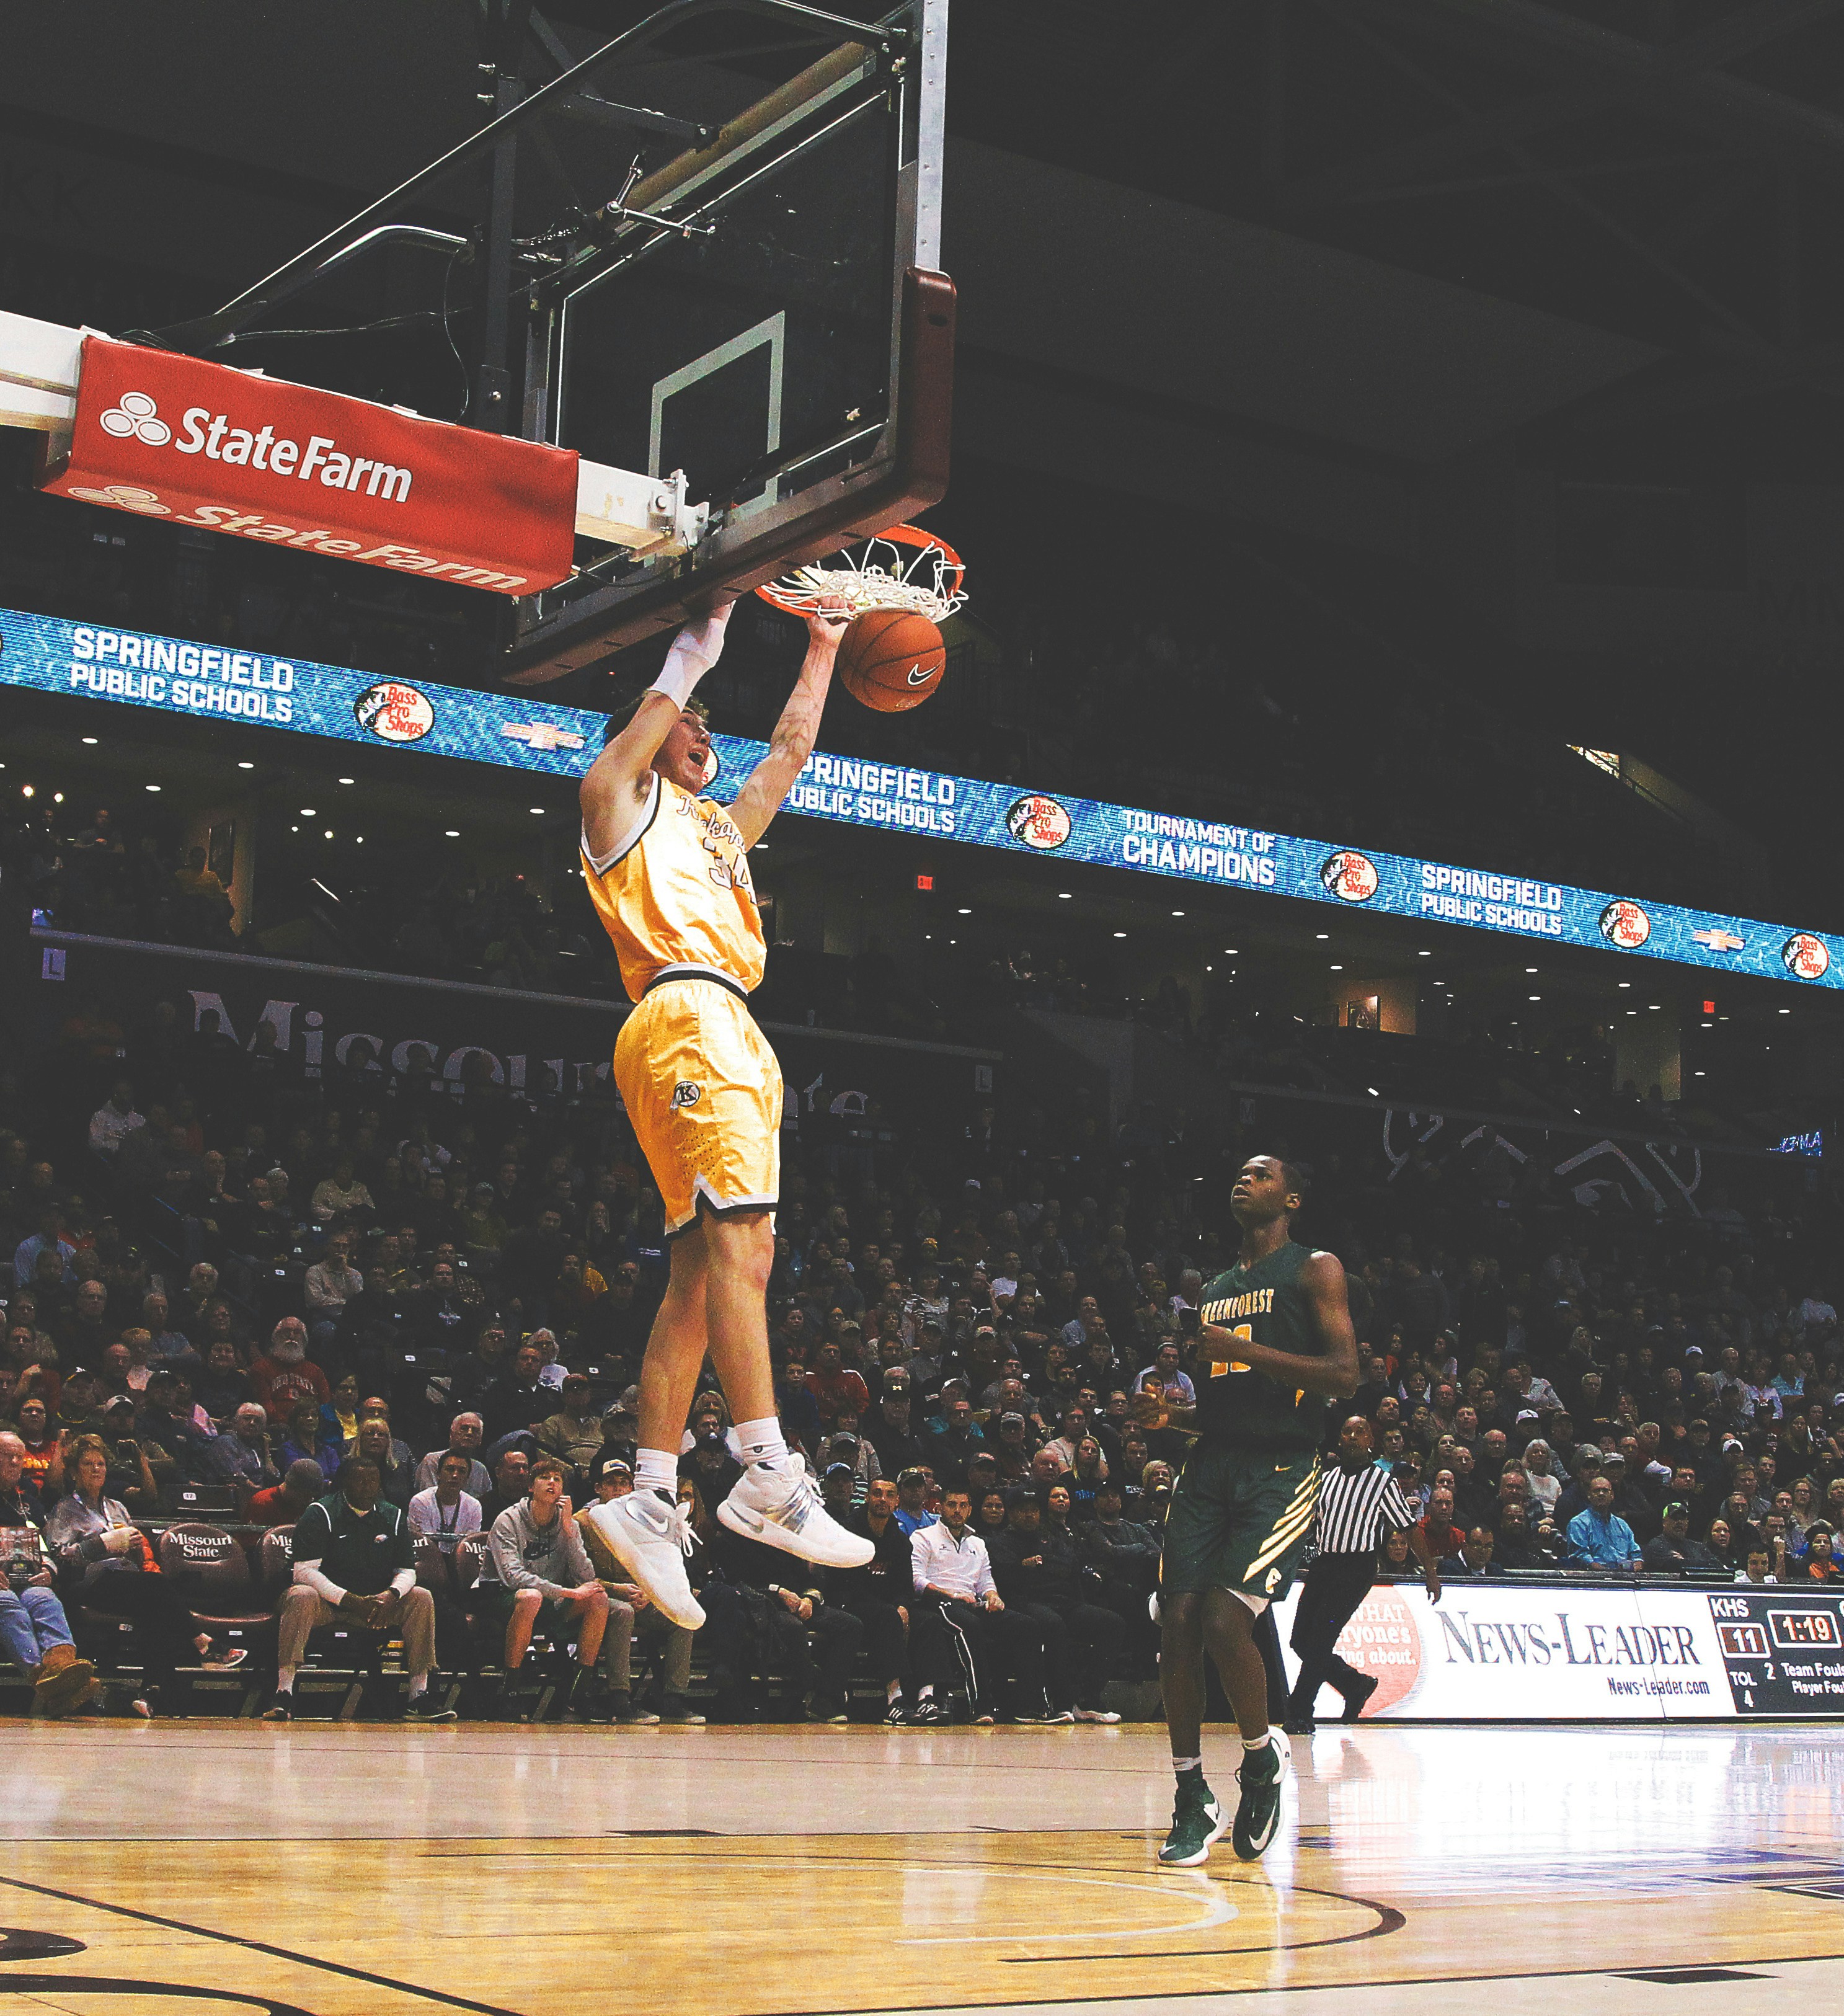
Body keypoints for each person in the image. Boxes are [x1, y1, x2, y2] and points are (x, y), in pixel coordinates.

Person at [574, 595, 872, 1628]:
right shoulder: (617, 801)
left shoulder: (716, 832)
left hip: (724, 1024)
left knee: (700, 1277)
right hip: (686, 1013)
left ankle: (651, 1496)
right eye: (689, 723)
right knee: (746, 1249)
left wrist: (824, 645)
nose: (704, 733)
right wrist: (701, 637)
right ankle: (765, 1469)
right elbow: (655, 710)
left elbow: (787, 755)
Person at [1133, 1156, 1357, 1867]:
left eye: (1260, 1175)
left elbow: (1345, 1374)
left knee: (1225, 1619)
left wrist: (1245, 1349)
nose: (1243, 1180)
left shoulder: (1314, 1267)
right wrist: (1170, 1418)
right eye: (1238, 1173)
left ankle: (1260, 1760)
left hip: (1280, 1467)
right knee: (1176, 1619)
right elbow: (1222, 1407)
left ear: (1290, 1198)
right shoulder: (1217, 1289)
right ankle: (1189, 1793)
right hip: (1212, 1464)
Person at [48, 1434, 247, 1714]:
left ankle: (150, 1692)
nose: (96, 1469)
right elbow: (59, 1557)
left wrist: (134, 1550)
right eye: (87, 1464)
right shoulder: (65, 1508)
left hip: (130, 1582)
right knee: (157, 1587)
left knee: (156, 1610)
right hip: (90, 1582)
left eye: (100, 1464)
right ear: (73, 1471)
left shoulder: (117, 1508)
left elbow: (137, 1555)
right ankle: (203, 1643)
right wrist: (102, 1545)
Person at [263, 1455, 454, 1723]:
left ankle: (419, 1695)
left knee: (421, 1597)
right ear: (344, 1484)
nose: (367, 1486)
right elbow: (303, 1572)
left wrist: (391, 1595)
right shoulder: (320, 1513)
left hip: (374, 1606)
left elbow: (407, 1570)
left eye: (373, 1480)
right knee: (301, 1595)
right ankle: (284, 1692)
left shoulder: (393, 1515)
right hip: (326, 1604)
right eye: (360, 1480)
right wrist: (349, 1600)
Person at [1282, 1414, 1439, 1736]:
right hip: (1324, 1563)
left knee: (1321, 1638)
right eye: (1347, 1431)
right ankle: (1355, 1684)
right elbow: (1310, 1522)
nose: (1353, 1436)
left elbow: (1409, 1527)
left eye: (1360, 1432)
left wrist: (1430, 1572)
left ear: (1370, 1441)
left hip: (1356, 1567)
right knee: (1300, 1640)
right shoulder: (1327, 1478)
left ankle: (1300, 1712)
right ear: (1340, 1439)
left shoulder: (1382, 1482)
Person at [479, 1458, 613, 1714]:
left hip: (550, 1600)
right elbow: (513, 1577)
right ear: (531, 1487)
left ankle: (579, 1692)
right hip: (502, 1597)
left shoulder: (568, 1523)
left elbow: (587, 1576)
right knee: (530, 1597)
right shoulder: (508, 1520)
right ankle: (510, 1690)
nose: (552, 1482)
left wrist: (569, 1530)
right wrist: (566, 1592)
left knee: (598, 1598)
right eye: (545, 1477)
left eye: (557, 1479)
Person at [575, 1459, 702, 1723]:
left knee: (681, 1618)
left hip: (641, 1595)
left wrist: (649, 1590)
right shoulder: (582, 1522)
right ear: (598, 1488)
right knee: (623, 1613)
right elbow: (576, 1577)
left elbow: (658, 1563)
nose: (618, 1489)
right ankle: (619, 1698)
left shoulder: (642, 1519)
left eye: (624, 1483)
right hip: (600, 1597)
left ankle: (672, 1698)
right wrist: (616, 1590)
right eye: (611, 1483)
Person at [910, 1484, 1048, 1724]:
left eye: (963, 1505)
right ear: (940, 1508)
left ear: (970, 1510)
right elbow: (916, 1580)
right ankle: (980, 1706)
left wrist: (993, 1596)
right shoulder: (923, 1537)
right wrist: (951, 1595)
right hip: (939, 1602)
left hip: (973, 1603)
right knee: (970, 1626)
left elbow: (986, 1580)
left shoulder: (978, 1543)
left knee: (1027, 1626)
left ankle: (1032, 1706)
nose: (957, 1510)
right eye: (952, 1505)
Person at [0, 1430, 98, 1713]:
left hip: (27, 1579)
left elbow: (43, 1545)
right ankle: (45, 1680)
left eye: (19, 1457)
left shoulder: (29, 1501)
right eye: (7, 1456)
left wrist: (48, 1569)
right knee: (8, 1605)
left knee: (46, 1599)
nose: (15, 1462)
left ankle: (62, 1664)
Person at [1566, 1475, 1642, 1569]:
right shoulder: (1578, 1523)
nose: (1601, 1494)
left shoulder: (1622, 1525)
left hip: (1624, 1574)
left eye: (1605, 1490)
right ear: (1589, 1495)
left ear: (1612, 1495)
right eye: (1597, 1491)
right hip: (1593, 1575)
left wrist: (1637, 1563)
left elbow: (1635, 1553)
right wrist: (1603, 1571)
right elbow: (1581, 1556)